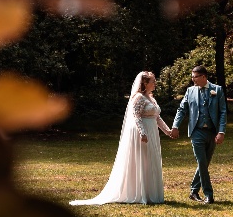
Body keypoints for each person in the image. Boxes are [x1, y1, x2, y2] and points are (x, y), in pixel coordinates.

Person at [69, 71, 172, 205]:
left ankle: (151, 193)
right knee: (143, 160)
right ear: (145, 83)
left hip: (153, 132)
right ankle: (140, 193)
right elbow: (136, 116)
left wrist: (167, 131)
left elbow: (157, 117)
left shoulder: (151, 98)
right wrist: (142, 132)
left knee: (151, 160)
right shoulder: (139, 98)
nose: (155, 83)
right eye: (153, 81)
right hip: (143, 133)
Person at [170, 65, 226, 204]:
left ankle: (194, 191)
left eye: (195, 76)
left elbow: (223, 112)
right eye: (192, 76)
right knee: (201, 162)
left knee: (204, 164)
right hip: (197, 131)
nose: (192, 79)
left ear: (203, 77)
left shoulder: (217, 90)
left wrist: (221, 131)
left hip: (212, 132)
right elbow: (182, 109)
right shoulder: (190, 91)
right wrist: (175, 126)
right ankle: (209, 194)